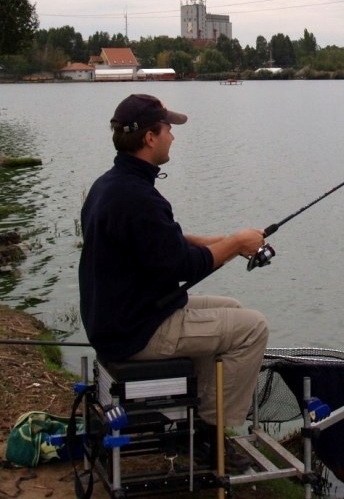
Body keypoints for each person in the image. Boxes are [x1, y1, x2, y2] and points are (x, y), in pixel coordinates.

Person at [79, 93, 269, 438]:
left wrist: (220, 241)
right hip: (135, 331)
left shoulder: (110, 185)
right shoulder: (137, 197)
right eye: (168, 128)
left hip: (122, 317)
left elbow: (158, 245)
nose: (173, 136)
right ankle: (214, 434)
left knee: (234, 308)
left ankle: (194, 415)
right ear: (150, 137)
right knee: (253, 328)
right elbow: (183, 267)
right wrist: (237, 244)